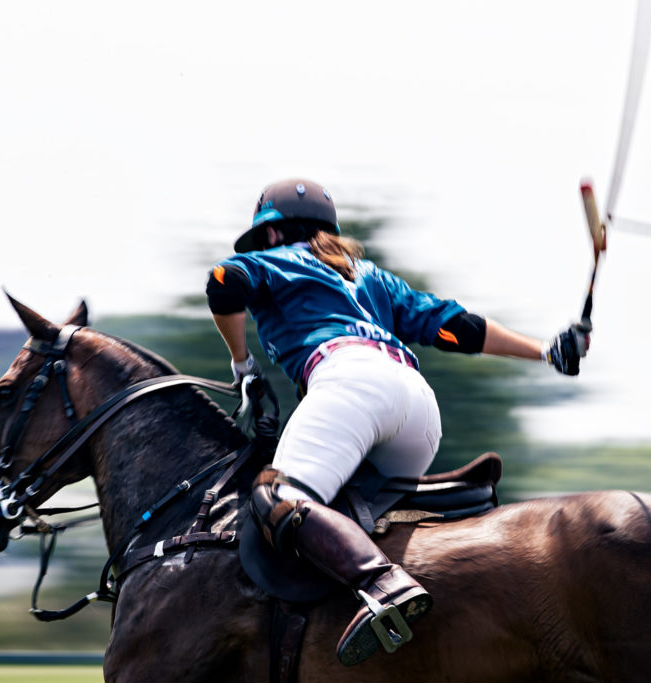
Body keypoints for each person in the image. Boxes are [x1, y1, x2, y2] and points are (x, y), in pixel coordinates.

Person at [206, 178, 589, 666]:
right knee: (344, 512)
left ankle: (383, 586)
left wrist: (242, 365)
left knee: (278, 497)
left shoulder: (274, 260)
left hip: (349, 384)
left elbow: (222, 282)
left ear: (274, 234)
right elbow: (457, 328)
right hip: (418, 409)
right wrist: (545, 350)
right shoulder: (372, 276)